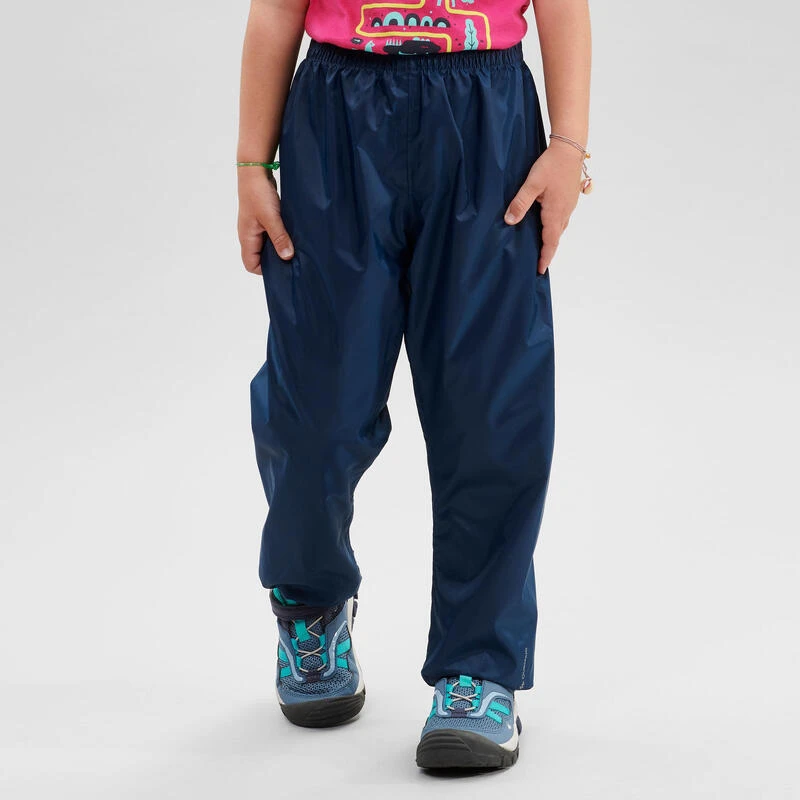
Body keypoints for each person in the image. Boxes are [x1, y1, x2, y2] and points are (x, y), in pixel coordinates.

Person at [237, 0, 591, 770]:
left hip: (486, 119)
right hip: (337, 117)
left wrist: (567, 146)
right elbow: (274, 11)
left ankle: (478, 665)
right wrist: (251, 164)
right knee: (315, 407)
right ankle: (309, 602)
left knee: (490, 407)